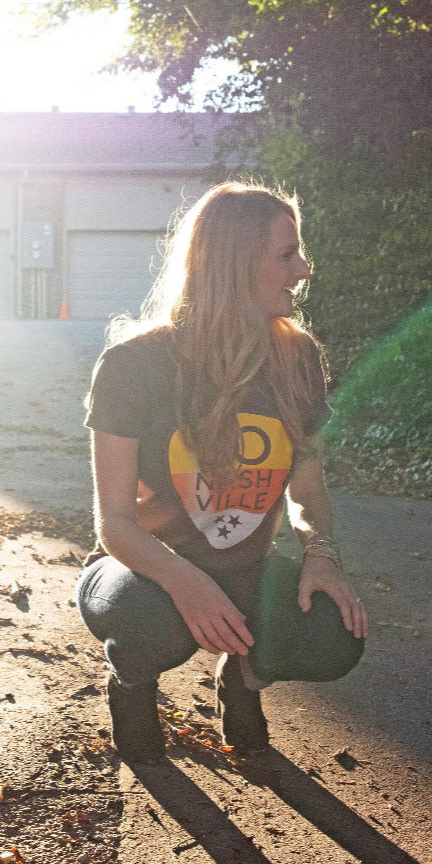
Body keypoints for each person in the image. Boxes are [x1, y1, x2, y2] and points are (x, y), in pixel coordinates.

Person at [76, 181, 367, 764]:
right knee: (156, 626)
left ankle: (243, 679)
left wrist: (320, 555)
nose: (303, 270)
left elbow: (307, 494)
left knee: (334, 634)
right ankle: (131, 685)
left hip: (245, 570)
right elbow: (116, 526)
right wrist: (189, 583)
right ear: (234, 264)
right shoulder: (133, 365)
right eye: (287, 255)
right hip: (143, 571)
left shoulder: (298, 359)